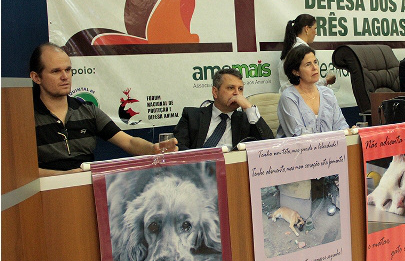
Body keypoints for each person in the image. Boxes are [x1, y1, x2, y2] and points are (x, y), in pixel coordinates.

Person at [30, 43, 176, 177]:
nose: (65, 77)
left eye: (68, 70)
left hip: (87, 191)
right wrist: (67, 176)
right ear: (36, 77)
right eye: (56, 71)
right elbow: (21, 173)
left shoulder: (87, 110)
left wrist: (153, 149)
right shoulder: (26, 116)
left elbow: (129, 142)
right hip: (46, 197)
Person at [173, 68, 274, 150]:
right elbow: (177, 149)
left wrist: (249, 108)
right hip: (200, 171)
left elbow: (271, 146)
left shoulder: (247, 119)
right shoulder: (191, 116)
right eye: (230, 88)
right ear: (215, 92)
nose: (237, 93)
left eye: (240, 89)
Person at [277, 45, 348, 137]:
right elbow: (298, 135)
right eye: (308, 64)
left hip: (331, 148)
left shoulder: (328, 93)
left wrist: (349, 132)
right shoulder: (289, 97)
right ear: (296, 72)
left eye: (315, 62)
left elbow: (341, 126)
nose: (314, 67)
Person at [278, 14, 336, 92]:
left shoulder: (292, 46)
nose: (316, 33)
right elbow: (304, 81)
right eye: (315, 28)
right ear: (307, 29)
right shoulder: (301, 50)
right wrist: (326, 81)